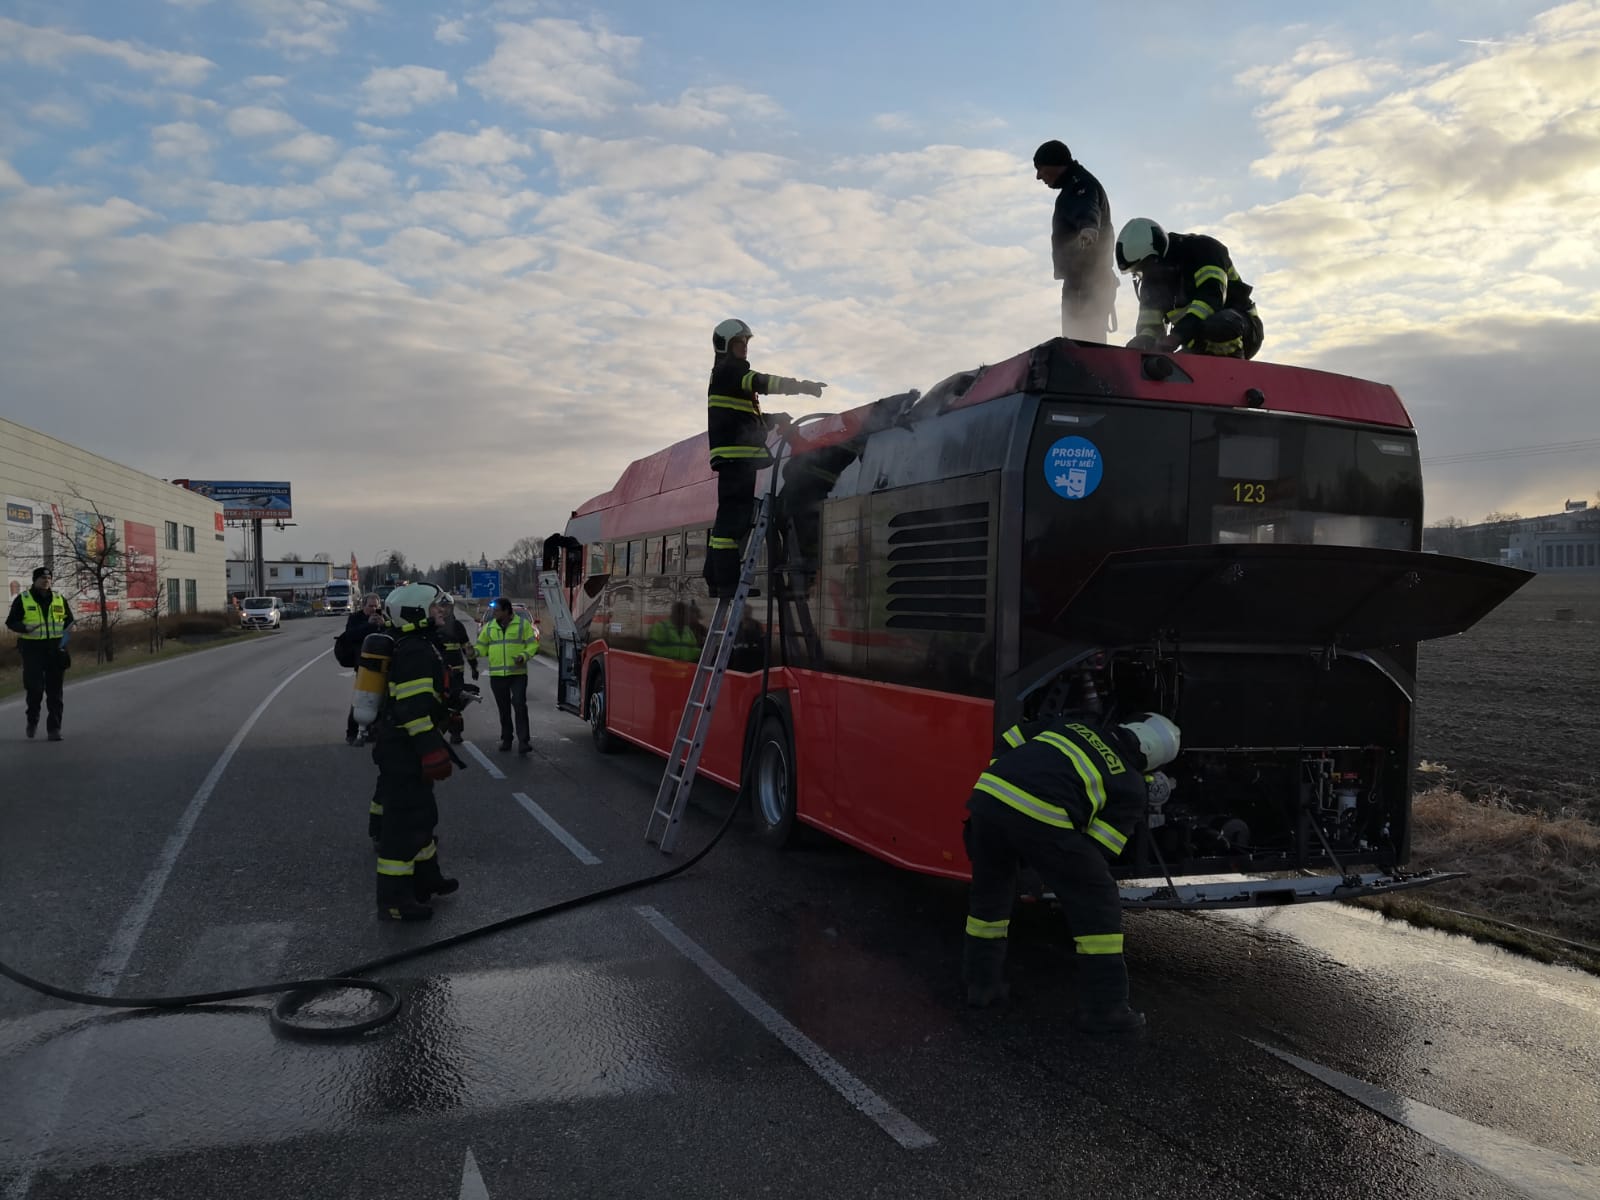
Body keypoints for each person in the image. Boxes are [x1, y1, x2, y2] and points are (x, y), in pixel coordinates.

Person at [961, 710, 1181, 1033]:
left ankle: (981, 987)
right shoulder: (1132, 786)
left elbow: (1010, 738)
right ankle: (1106, 1009)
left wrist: (1004, 784)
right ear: (1154, 763)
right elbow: (1097, 849)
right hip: (1042, 818)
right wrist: (1047, 858)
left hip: (988, 799)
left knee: (989, 900)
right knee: (1099, 899)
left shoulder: (1074, 724)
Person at [704, 318, 827, 599]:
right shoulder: (731, 372)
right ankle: (728, 584)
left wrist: (773, 419)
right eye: (739, 344)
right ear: (726, 346)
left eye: (746, 344)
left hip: (736, 459)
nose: (744, 349)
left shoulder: (725, 378)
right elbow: (764, 382)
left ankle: (715, 579)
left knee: (726, 521)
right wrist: (803, 387)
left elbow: (742, 418)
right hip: (738, 460)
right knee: (732, 524)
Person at [369, 583, 460, 921]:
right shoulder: (415, 652)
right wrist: (430, 749)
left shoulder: (421, 646)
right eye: (436, 608)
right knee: (402, 827)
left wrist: (450, 707)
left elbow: (425, 700)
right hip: (404, 752)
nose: (442, 612)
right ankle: (394, 901)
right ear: (415, 612)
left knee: (422, 817)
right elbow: (411, 709)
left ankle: (426, 879)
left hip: (407, 751)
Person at [1114, 218, 1263, 359]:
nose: (1144, 274)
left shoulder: (1204, 251)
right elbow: (1150, 323)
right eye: (1137, 270)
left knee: (1218, 325)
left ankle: (1233, 375)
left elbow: (1211, 299)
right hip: (1196, 341)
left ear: (1157, 254)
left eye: (1144, 266)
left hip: (1241, 330)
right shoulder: (1152, 276)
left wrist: (1176, 336)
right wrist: (1143, 340)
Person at [1033, 140, 1117, 343]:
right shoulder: (1075, 186)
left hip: (1085, 280)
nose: (1038, 176)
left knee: (1082, 344)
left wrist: (1088, 228)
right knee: (1080, 342)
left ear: (1054, 164)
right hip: (1084, 279)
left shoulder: (1080, 186)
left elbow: (1087, 208)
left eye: (1040, 169)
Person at [5, 567, 74, 741]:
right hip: (32, 650)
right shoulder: (23, 599)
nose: (46, 580)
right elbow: (11, 622)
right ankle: (32, 720)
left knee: (55, 693)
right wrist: (25, 628)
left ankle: (54, 729)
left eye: (49, 577)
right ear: (35, 580)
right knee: (35, 690)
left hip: (55, 650)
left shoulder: (59, 599)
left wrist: (64, 644)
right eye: (42, 578)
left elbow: (69, 623)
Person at [475, 596, 539, 753]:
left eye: (497, 610)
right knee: (503, 709)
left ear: (507, 611)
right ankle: (507, 739)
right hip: (497, 675)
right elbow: (481, 648)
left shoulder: (522, 625)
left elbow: (532, 645)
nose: (493, 613)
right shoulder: (489, 627)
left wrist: (523, 656)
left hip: (518, 674)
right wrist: (472, 652)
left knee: (519, 705)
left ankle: (524, 741)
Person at [430, 595, 479, 744]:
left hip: (456, 671)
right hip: (436, 671)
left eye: (447, 607)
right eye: (441, 607)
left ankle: (456, 732)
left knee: (456, 702)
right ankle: (434, 731)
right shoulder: (431, 625)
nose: (444, 610)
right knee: (435, 702)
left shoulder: (457, 626)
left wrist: (473, 665)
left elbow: (467, 647)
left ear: (451, 608)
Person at [339, 593, 385, 747]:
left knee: (381, 700)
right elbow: (350, 635)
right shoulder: (355, 618)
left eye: (376, 606)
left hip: (383, 664)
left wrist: (384, 624)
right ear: (363, 606)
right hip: (364, 665)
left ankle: (374, 731)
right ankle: (352, 733)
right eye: (370, 606)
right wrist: (369, 625)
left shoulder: (382, 617)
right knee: (361, 699)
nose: (374, 609)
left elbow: (392, 635)